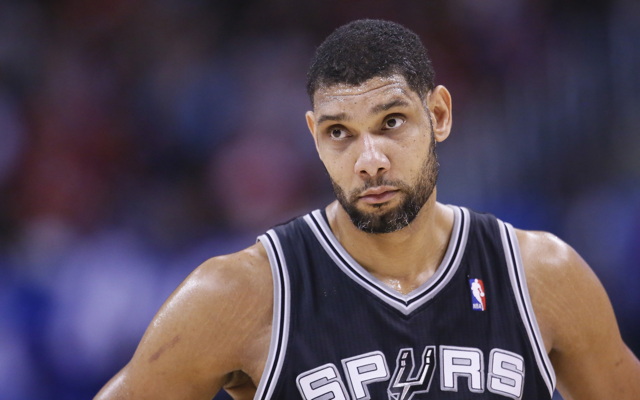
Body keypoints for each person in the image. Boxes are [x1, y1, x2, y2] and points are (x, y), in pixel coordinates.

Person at [95, 19, 640, 400]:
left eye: (391, 122)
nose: (369, 160)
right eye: (340, 133)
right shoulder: (243, 293)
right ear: (314, 136)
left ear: (439, 115)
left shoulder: (540, 276)